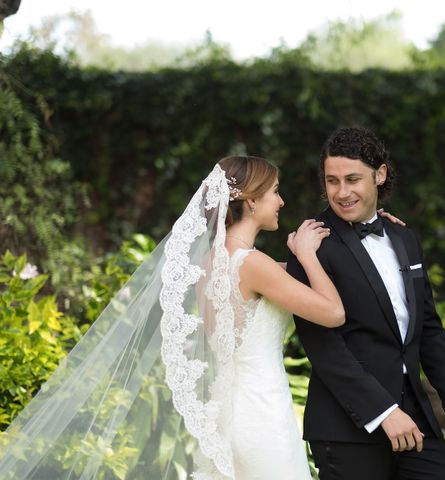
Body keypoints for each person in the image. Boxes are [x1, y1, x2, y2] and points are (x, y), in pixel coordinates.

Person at [0, 155, 403, 480]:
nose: (281, 202)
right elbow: (332, 313)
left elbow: (301, 278)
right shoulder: (252, 264)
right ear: (250, 201)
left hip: (232, 410)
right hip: (262, 413)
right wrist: (309, 254)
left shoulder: (212, 262)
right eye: (275, 193)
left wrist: (364, 226)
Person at [287, 127, 445, 480]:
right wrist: (383, 411)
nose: (342, 192)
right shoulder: (311, 247)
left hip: (417, 416)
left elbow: (429, 329)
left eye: (353, 179)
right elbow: (324, 346)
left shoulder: (404, 237)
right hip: (347, 427)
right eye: (332, 181)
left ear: (380, 174)